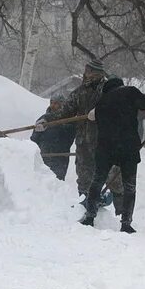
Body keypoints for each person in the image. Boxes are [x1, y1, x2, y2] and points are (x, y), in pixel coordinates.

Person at [80, 77, 145, 233]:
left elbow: (96, 122)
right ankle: (126, 223)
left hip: (105, 147)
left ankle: (89, 217)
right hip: (127, 147)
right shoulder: (130, 92)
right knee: (129, 186)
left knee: (97, 181)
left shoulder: (101, 102)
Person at [36, 59, 107, 196]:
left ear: (99, 74)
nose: (87, 74)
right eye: (86, 71)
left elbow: (116, 108)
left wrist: (101, 111)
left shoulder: (108, 90)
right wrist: (46, 119)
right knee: (83, 175)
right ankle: (84, 202)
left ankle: (107, 204)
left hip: (102, 140)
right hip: (83, 142)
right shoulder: (79, 92)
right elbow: (64, 112)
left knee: (102, 172)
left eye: (90, 72)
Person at [30, 96, 76, 180]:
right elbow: (33, 140)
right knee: (41, 180)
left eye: (56, 103)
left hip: (60, 157)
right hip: (44, 155)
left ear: (62, 105)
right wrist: (37, 131)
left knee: (56, 183)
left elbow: (70, 138)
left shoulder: (69, 120)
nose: (52, 105)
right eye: (51, 103)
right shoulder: (43, 119)